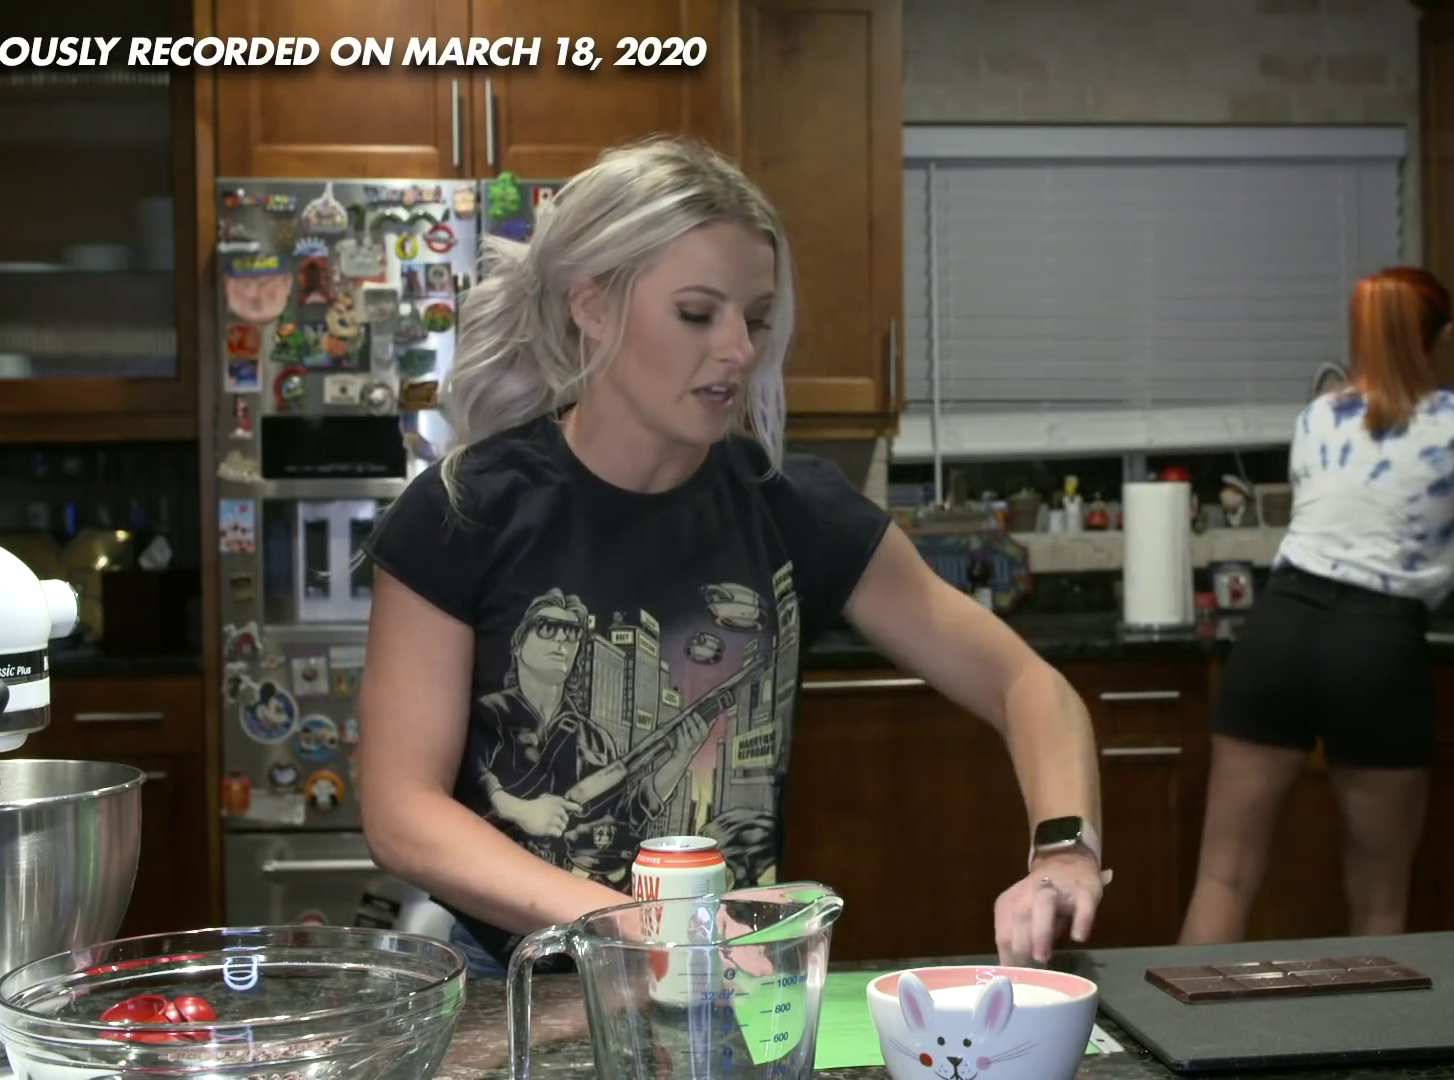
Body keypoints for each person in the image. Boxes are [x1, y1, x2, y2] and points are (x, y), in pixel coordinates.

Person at [355, 136, 1107, 977]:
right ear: (592, 305)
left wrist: (1064, 850)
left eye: (754, 319)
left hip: (730, 989)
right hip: (518, 985)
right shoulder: (466, 511)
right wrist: (638, 926)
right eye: (696, 314)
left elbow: (1026, 684)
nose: (740, 351)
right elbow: (401, 812)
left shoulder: (791, 509)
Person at [1177, 266, 1454, 944]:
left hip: (1280, 630)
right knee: (1379, 901)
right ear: (1444, 337)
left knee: (1223, 878)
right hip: (1377, 642)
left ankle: (1176, 1018)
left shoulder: (1318, 417)